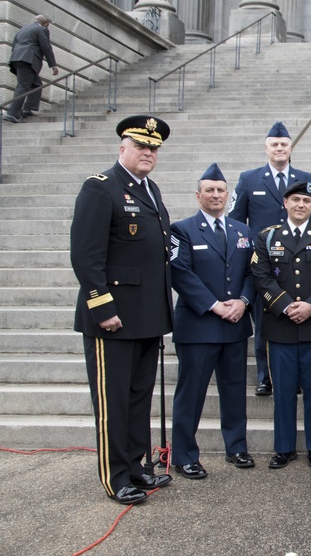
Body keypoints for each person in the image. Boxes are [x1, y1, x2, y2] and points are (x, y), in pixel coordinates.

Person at [70, 115, 173, 504]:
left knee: (136, 398)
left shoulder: (151, 190)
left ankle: (137, 467)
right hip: (112, 319)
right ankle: (116, 478)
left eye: (153, 148)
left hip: (146, 317)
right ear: (122, 148)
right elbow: (85, 255)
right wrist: (102, 307)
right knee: (112, 401)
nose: (148, 153)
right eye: (141, 146)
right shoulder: (101, 189)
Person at [169, 163, 257, 478]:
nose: (216, 195)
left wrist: (243, 302)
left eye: (221, 190)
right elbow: (180, 272)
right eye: (210, 190)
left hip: (234, 325)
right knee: (191, 394)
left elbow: (251, 272)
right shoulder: (182, 229)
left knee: (234, 392)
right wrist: (214, 305)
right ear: (198, 195)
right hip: (199, 327)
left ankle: (236, 448)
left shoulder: (242, 231)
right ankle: (183, 455)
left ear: (228, 195)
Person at [251, 181, 311, 469]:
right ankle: (284, 448)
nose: (301, 205)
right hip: (280, 326)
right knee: (283, 392)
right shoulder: (267, 237)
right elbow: (261, 276)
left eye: (306, 200)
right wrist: (285, 305)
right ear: (285, 203)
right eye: (295, 200)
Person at [229, 121, 309, 397]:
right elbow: (236, 222)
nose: (279, 148)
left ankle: (296, 376)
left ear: (290, 148)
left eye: (284, 144)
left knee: (297, 319)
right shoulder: (249, 179)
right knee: (264, 322)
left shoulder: (304, 178)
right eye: (274, 144)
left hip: (297, 262)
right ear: (266, 148)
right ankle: (265, 376)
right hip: (261, 263)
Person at [4, 14, 58, 123]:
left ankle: (27, 109)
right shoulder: (42, 29)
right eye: (48, 25)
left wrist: (17, 59)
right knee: (23, 86)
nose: (48, 27)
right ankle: (11, 113)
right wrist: (53, 65)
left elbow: (14, 45)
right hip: (28, 60)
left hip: (17, 59)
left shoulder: (22, 29)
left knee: (36, 85)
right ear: (45, 23)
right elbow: (46, 46)